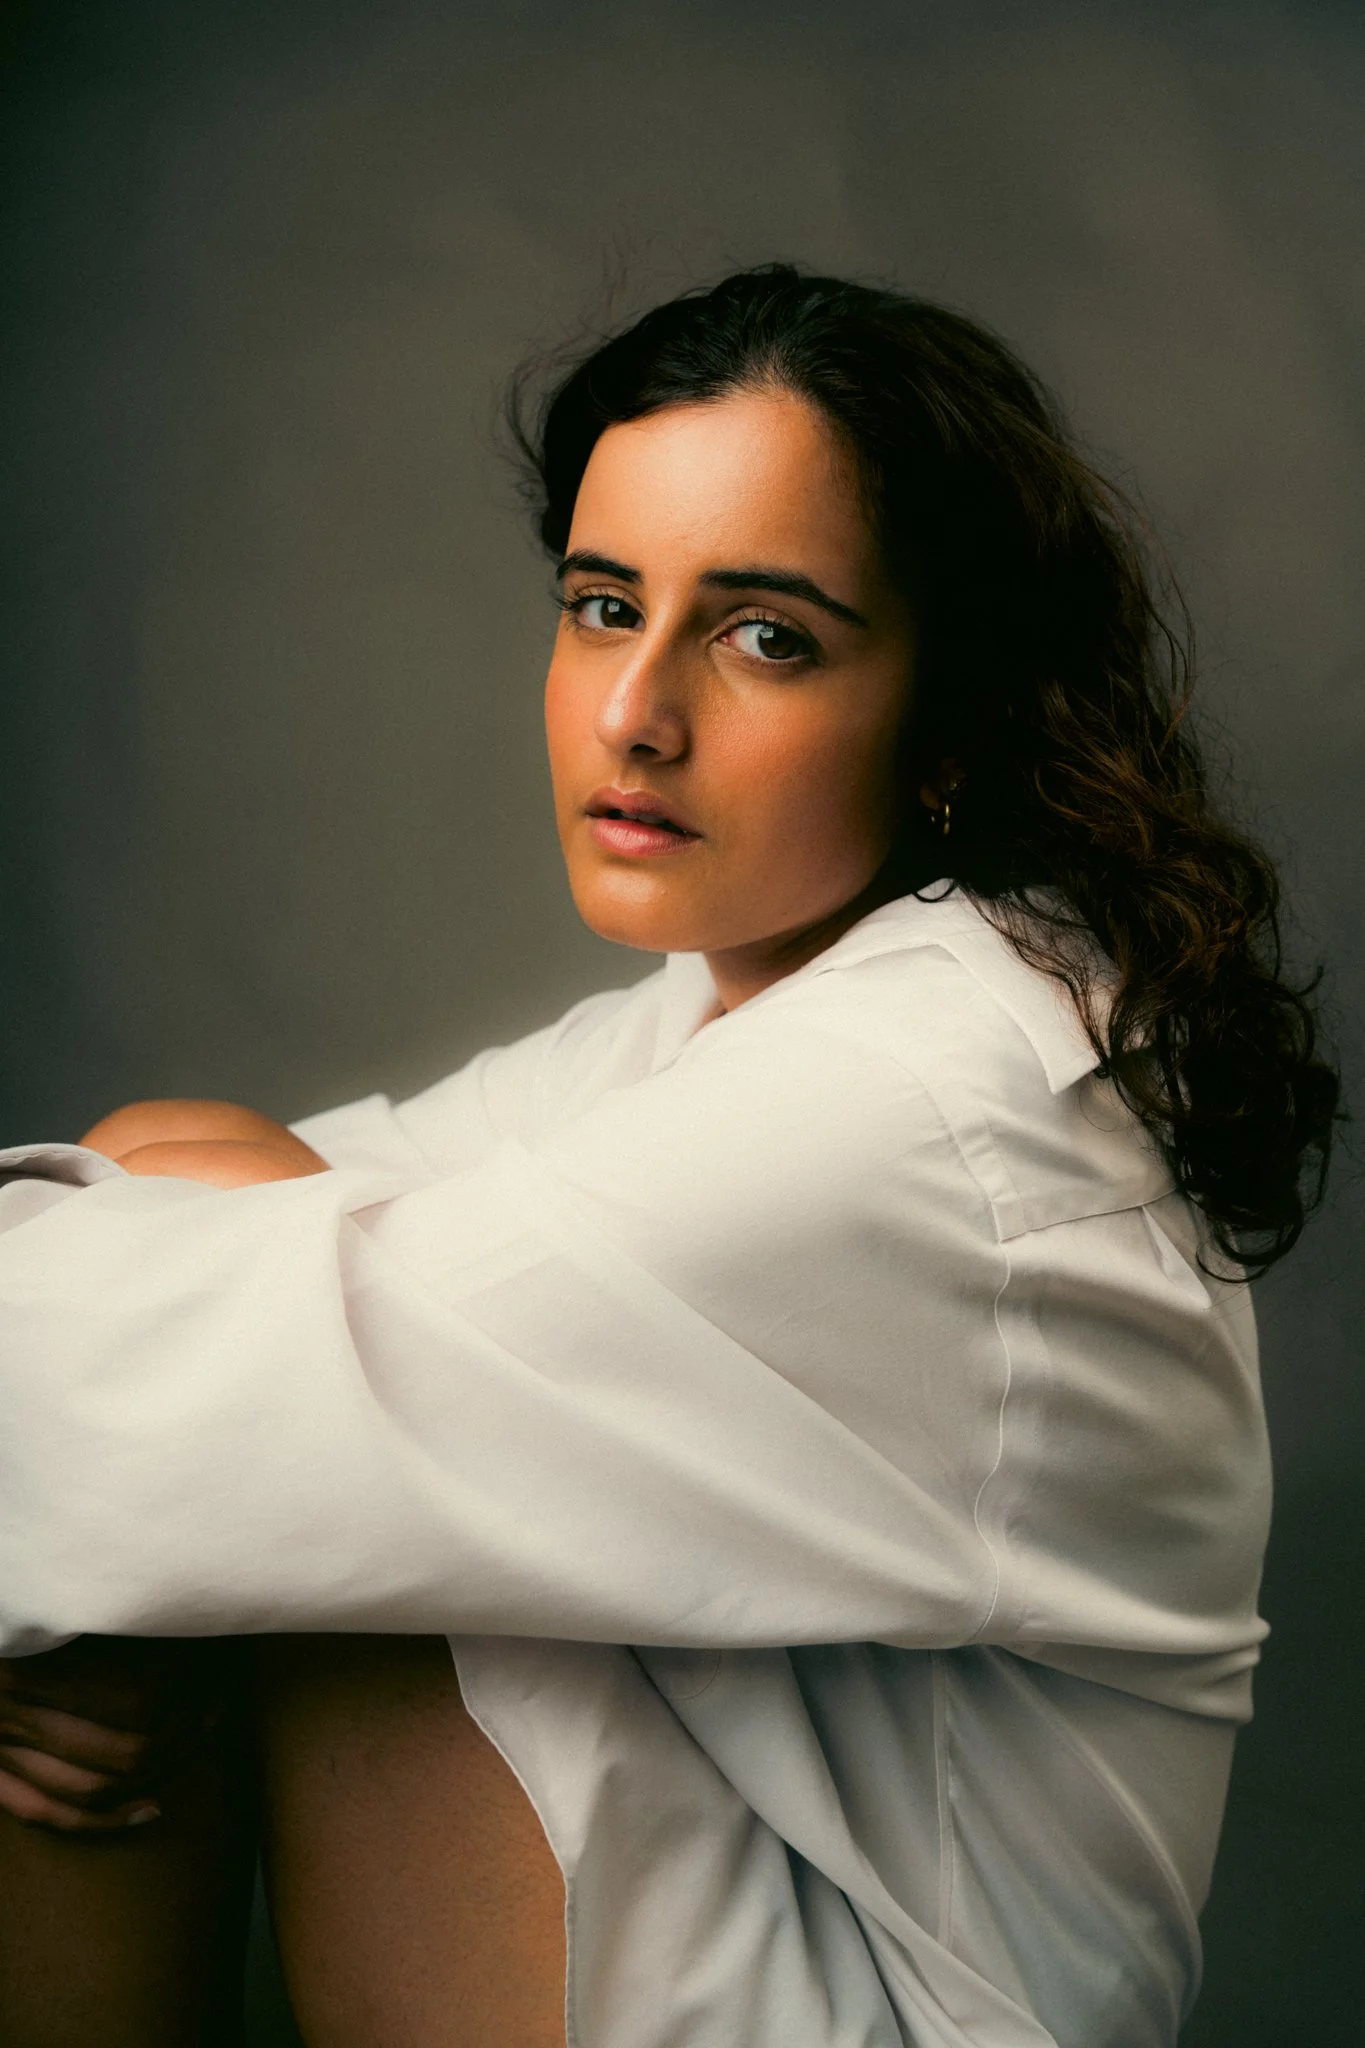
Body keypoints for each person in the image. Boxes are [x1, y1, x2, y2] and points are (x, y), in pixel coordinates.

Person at [0, 266, 1339, 2048]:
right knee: (187, 1201)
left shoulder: (926, 1103)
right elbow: (210, 1230)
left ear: (949, 721)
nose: (634, 709)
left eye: (765, 634)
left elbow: (186, 1371)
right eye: (604, 604)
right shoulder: (746, 1010)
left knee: (275, 1475)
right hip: (726, 1933)